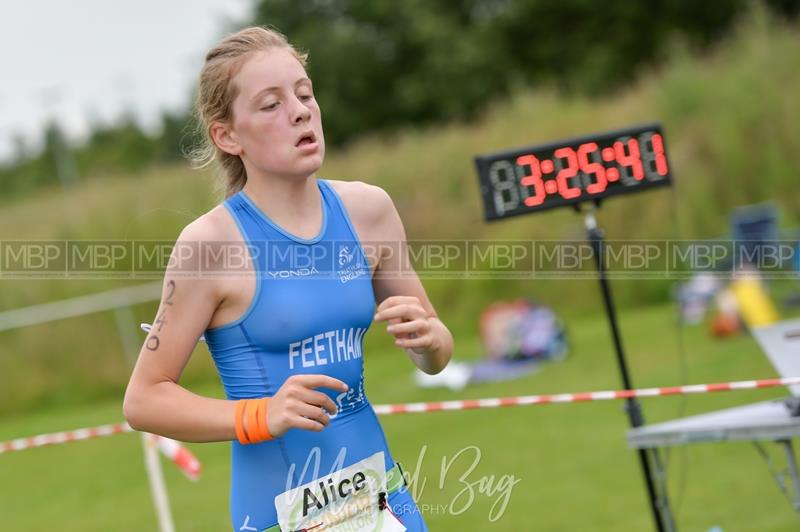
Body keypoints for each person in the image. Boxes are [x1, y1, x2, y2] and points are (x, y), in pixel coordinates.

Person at [123, 26, 453, 532]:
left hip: (386, 502)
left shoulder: (370, 211)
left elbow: (436, 355)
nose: (300, 111)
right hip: (280, 516)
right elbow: (144, 399)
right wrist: (261, 415)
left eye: (304, 93)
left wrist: (430, 341)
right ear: (226, 135)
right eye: (271, 104)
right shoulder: (209, 246)